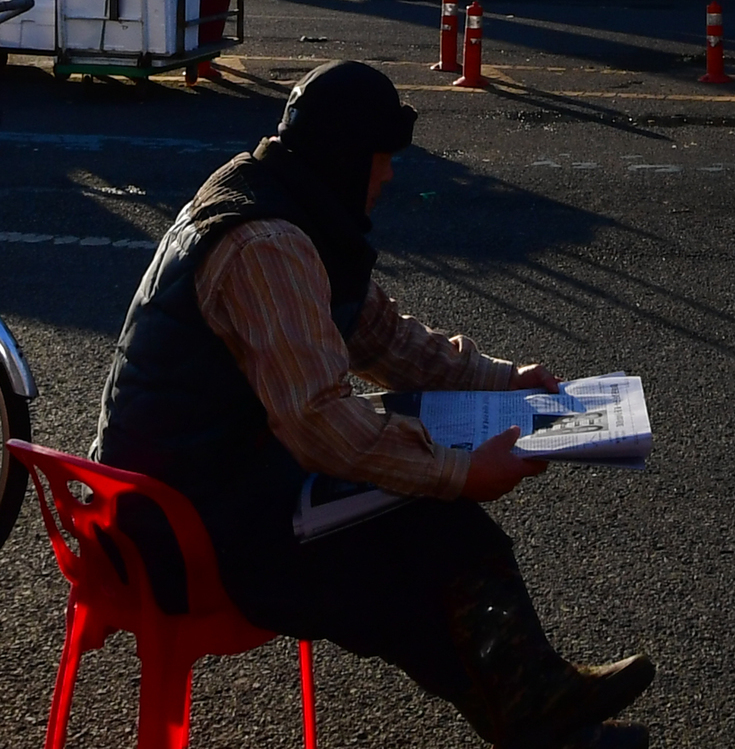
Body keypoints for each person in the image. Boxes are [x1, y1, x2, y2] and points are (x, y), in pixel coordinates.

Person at [95, 61, 653, 749]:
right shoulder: (268, 243)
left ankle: (537, 710)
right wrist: (459, 473)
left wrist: (501, 381)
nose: (388, 177)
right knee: (420, 543)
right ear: (345, 156)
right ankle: (537, 710)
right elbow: (317, 420)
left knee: (419, 538)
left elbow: (380, 338)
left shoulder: (287, 200)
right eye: (381, 160)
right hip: (179, 527)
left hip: (211, 483)